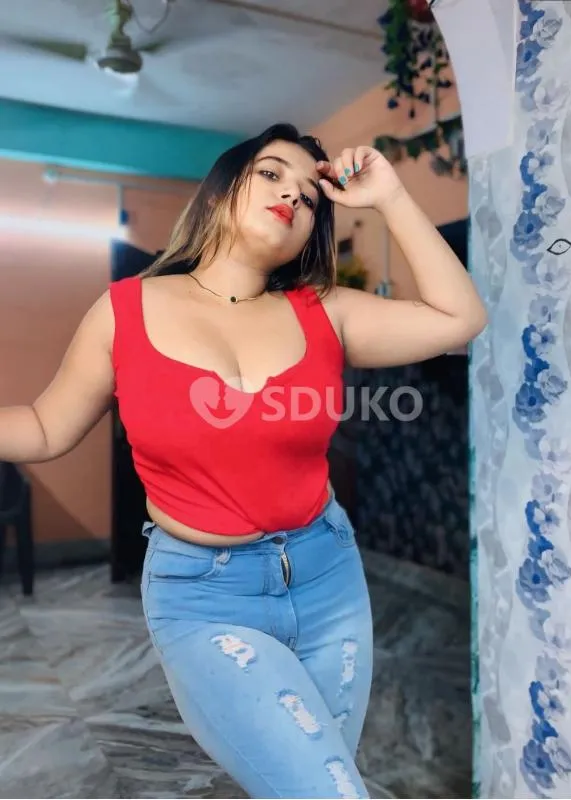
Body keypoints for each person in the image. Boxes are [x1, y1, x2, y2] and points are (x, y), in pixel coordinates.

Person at [0, 123, 487, 798]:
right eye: (272, 173)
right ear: (221, 190)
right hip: (205, 597)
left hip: (328, 579)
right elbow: (44, 427)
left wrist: (391, 197)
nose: (292, 195)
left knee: (320, 777)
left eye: (309, 197)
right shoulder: (125, 310)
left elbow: (459, 317)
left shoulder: (324, 312)